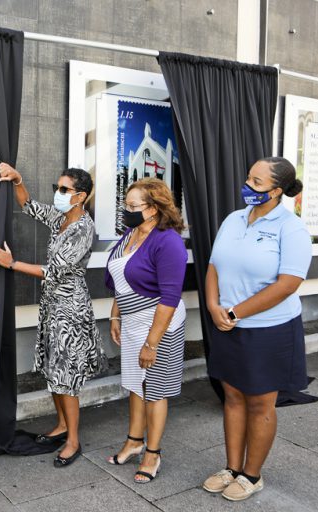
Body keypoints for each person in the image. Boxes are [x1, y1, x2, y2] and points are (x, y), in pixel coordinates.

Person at [202, 157, 311, 502]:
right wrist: (213, 306)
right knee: (233, 397)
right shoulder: (233, 219)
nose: (248, 186)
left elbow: (287, 284)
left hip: (269, 329)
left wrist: (236, 312)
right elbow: (214, 266)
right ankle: (232, 468)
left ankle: (252, 475)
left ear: (277, 191)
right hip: (227, 324)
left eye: (257, 182)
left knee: (260, 403)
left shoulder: (291, 228)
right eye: (249, 178)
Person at [0, 163, 106, 468]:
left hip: (70, 311)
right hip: (52, 307)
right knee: (54, 370)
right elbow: (29, 206)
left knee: (66, 375)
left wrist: (12, 264)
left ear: (80, 196)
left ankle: (73, 441)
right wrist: (18, 180)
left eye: (64, 189)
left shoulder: (83, 228)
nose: (58, 193)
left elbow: (54, 271)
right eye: (57, 188)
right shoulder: (62, 218)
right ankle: (62, 424)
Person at [103, 178, 187, 484]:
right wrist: (115, 315)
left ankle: (153, 453)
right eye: (125, 204)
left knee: (155, 390)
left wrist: (152, 343)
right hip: (132, 322)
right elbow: (119, 278)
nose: (126, 210)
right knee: (135, 384)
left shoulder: (169, 242)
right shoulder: (130, 233)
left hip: (160, 325)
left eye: (132, 206)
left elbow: (170, 298)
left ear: (153, 208)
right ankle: (134, 441)